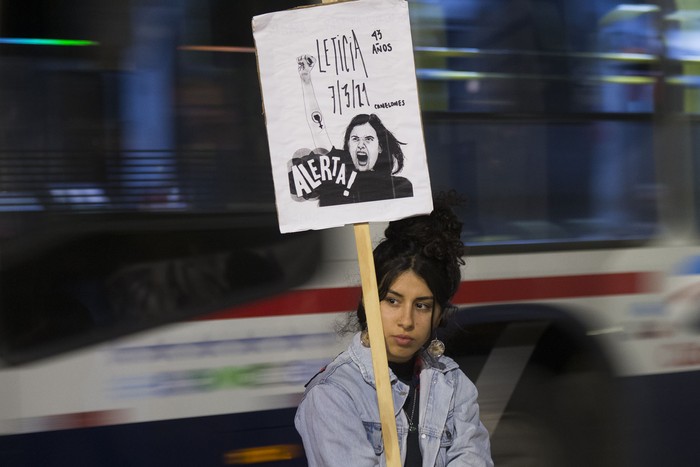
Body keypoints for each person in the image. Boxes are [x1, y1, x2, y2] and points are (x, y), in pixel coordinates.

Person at [295, 194, 493, 466]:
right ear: (368, 301)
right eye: (392, 301)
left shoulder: (453, 384)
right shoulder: (334, 394)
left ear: (439, 314)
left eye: (422, 306)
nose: (407, 320)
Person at [294, 54, 413, 206]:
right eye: (355, 139)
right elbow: (317, 125)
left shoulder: (400, 187)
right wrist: (306, 81)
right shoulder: (338, 175)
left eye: (368, 139)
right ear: (348, 146)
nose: (361, 145)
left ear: (380, 146)